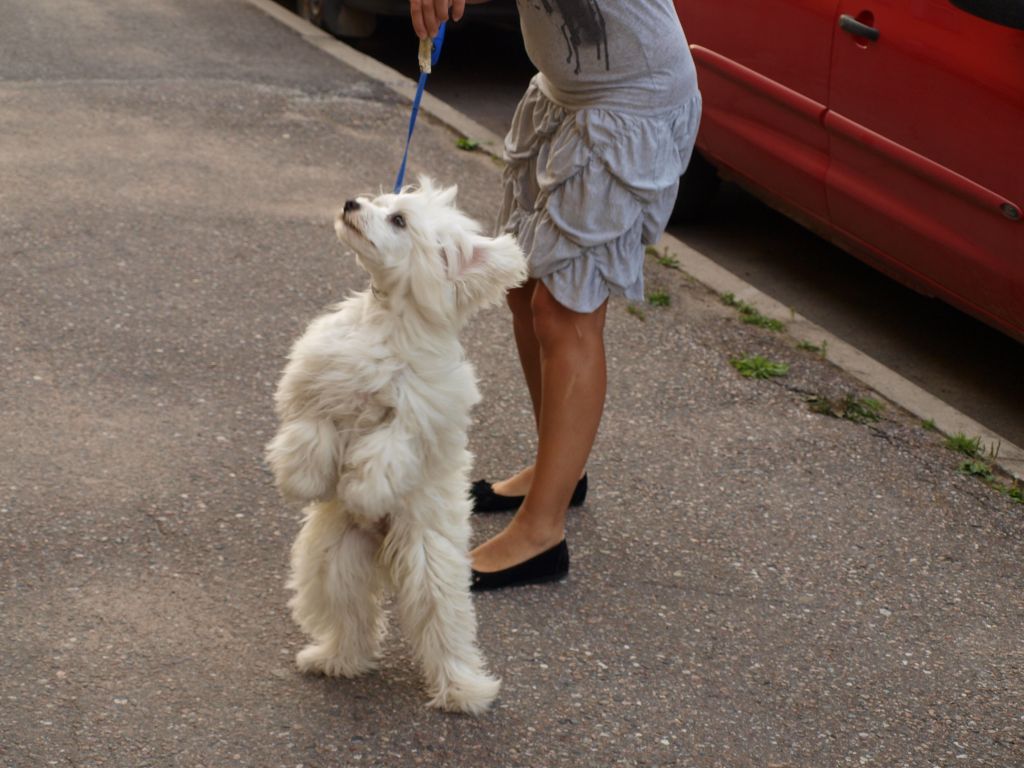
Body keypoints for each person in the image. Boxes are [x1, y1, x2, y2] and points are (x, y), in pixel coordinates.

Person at [409, 0, 701, 590]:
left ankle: (541, 534)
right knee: (523, 285)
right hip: (564, 94)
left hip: (629, 105)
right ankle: (558, 472)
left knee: (565, 312)